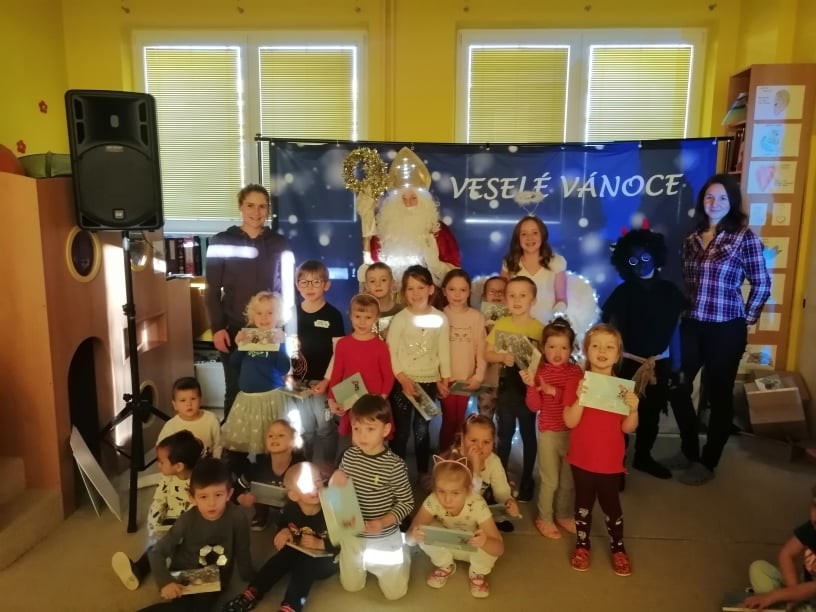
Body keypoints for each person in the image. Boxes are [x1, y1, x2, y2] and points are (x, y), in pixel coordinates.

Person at [668, 174, 771, 486]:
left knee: (718, 395)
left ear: (732, 202)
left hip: (726, 328)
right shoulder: (691, 238)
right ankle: (689, 451)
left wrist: (746, 318)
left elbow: (761, 282)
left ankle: (708, 461)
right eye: (709, 197)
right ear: (703, 200)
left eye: (722, 198)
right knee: (677, 385)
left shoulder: (743, 237)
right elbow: (686, 282)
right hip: (692, 324)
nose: (714, 203)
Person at [601, 228, 689, 480]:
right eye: (632, 260)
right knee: (619, 417)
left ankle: (643, 457)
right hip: (626, 364)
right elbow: (612, 331)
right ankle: (616, 462)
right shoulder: (623, 293)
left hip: (657, 366)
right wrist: (608, 366)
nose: (639, 264)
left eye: (645, 258)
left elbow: (675, 331)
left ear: (656, 257)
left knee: (651, 415)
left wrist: (676, 366)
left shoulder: (669, 292)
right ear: (624, 262)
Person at [205, 184, 289, 420]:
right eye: (250, 205)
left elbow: (286, 288)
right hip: (234, 329)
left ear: (268, 210)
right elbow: (212, 290)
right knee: (235, 388)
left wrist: (284, 328)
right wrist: (217, 328)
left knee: (270, 389)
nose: (256, 212)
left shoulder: (279, 243)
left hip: (270, 330)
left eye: (262, 206)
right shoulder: (221, 241)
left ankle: (268, 441)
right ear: (240, 207)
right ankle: (233, 442)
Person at [563, 324, 639, 576]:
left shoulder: (622, 389)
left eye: (609, 347)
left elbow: (628, 428)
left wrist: (633, 409)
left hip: (610, 462)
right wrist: (580, 398)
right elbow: (570, 421)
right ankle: (582, 545)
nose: (602, 351)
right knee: (582, 506)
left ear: (618, 355)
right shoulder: (577, 382)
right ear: (586, 351)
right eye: (595, 346)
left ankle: (618, 548)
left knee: (612, 507)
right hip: (582, 459)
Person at [140, 458, 253, 612]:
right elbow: (156, 552)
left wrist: (250, 576)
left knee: (201, 607)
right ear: (192, 498)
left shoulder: (238, 518)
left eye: (218, 494)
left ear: (229, 494)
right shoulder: (187, 520)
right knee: (182, 608)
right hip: (185, 573)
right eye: (203, 497)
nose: (211, 503)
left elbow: (242, 549)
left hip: (214, 578)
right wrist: (165, 582)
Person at [223, 462, 338, 612]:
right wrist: (284, 531)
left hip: (325, 560)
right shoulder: (290, 509)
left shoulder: (332, 509)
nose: (315, 488)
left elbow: (347, 540)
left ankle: (291, 606)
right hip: (300, 548)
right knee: (280, 559)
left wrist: (321, 544)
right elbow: (283, 524)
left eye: (318, 481)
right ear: (293, 495)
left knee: (305, 566)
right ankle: (251, 592)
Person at [331, 394, 414, 601]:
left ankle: (403, 554)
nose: (362, 435)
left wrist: (383, 521)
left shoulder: (394, 466)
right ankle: (358, 563)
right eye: (356, 428)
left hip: (383, 536)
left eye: (370, 429)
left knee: (395, 594)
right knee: (351, 587)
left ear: (385, 430)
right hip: (353, 533)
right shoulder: (349, 456)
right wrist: (335, 483)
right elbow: (339, 491)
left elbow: (406, 502)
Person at [111, 431, 203, 591]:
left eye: (161, 462)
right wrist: (154, 523)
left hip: (190, 528)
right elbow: (159, 500)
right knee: (156, 548)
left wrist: (177, 532)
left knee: (183, 555)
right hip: (171, 524)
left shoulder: (198, 483)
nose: (158, 465)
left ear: (179, 466)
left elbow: (195, 511)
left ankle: (181, 575)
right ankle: (138, 570)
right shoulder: (167, 478)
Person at [406, 455, 504, 599]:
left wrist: (484, 542)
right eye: (441, 491)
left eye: (455, 493)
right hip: (448, 544)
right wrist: (413, 537)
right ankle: (445, 564)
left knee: (488, 543)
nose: (447, 499)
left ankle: (477, 572)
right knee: (422, 530)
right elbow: (409, 537)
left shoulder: (477, 504)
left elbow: (499, 548)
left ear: (469, 489)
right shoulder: (433, 500)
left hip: (474, 546)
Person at [386, 264, 451, 476]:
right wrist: (403, 379)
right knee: (402, 430)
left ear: (431, 289)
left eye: (421, 287)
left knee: (422, 430)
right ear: (404, 292)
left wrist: (444, 379)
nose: (416, 293)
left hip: (429, 381)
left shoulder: (440, 318)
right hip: (403, 383)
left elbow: (443, 350)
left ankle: (423, 473)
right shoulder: (400, 319)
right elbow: (391, 351)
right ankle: (397, 474)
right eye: (410, 288)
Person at [521, 317, 582, 539]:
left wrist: (552, 390)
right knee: (550, 480)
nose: (557, 352)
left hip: (572, 433)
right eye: (552, 346)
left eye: (564, 348)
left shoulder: (575, 372)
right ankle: (544, 517)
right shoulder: (539, 371)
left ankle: (563, 514)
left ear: (571, 349)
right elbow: (534, 406)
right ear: (543, 348)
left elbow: (575, 399)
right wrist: (532, 387)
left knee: (568, 480)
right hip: (548, 432)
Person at [485, 276, 543, 501]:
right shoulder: (502, 324)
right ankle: (499, 481)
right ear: (505, 300)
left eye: (523, 295)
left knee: (528, 434)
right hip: (507, 388)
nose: (517, 300)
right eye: (512, 295)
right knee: (504, 434)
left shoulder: (540, 329)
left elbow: (547, 361)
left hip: (528, 390)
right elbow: (487, 353)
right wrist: (502, 357)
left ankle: (527, 480)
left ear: (533, 300)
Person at [221, 291, 290, 475]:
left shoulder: (278, 337)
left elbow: (284, 367)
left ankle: (267, 472)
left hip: (270, 399)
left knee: (269, 440)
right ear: (252, 316)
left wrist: (281, 346)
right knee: (241, 441)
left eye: (270, 313)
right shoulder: (248, 336)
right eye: (259, 313)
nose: (264, 317)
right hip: (247, 399)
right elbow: (234, 363)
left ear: (278, 316)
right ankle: (241, 474)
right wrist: (239, 346)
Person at [369, 147, 461, 286]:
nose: (409, 204)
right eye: (403, 199)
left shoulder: (438, 231)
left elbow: (454, 275)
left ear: (423, 201)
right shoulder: (382, 232)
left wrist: (435, 265)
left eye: (414, 198)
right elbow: (373, 267)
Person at [327, 293, 394, 461]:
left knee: (375, 446)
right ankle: (348, 472)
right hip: (351, 403)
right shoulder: (343, 344)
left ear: (376, 318)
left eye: (368, 317)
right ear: (350, 316)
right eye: (358, 316)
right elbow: (336, 373)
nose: (362, 322)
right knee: (349, 446)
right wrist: (331, 399)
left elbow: (388, 376)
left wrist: (380, 399)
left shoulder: (380, 346)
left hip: (374, 405)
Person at [292, 260, 345, 468]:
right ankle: (304, 466)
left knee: (325, 428)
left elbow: (338, 353)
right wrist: (288, 374)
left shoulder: (333, 315)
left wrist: (327, 380)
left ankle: (328, 466)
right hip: (298, 384)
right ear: (297, 285)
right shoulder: (291, 313)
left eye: (316, 282)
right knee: (305, 429)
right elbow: (286, 347)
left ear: (326, 285)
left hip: (323, 383)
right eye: (304, 282)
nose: (310, 287)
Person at [741, 485, 816, 611]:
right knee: (759, 568)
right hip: (802, 587)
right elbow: (787, 554)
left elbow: (813, 589)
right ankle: (788, 604)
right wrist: (792, 590)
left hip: (811, 593)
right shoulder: (813, 527)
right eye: (815, 506)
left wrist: (773, 596)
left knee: (775, 597)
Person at [439, 269, 486, 452]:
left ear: (469, 292)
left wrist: (478, 376)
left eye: (463, 290)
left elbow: (481, 349)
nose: (457, 295)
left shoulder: (476, 317)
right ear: (444, 291)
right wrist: (438, 380)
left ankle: (458, 458)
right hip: (446, 380)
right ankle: (444, 458)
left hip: (466, 380)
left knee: (460, 421)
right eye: (452, 289)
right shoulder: (439, 316)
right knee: (449, 419)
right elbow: (433, 351)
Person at [449, 414, 520, 532]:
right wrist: (475, 468)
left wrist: (508, 502)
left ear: (493, 443)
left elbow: (501, 491)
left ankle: (494, 520)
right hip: (457, 505)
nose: (480, 447)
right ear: (462, 439)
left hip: (480, 504)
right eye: (473, 441)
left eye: (486, 442)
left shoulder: (494, 461)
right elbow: (457, 496)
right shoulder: (454, 459)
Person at [232, 419, 305, 532]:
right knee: (257, 486)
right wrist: (241, 498)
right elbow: (235, 488)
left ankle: (288, 519)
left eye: (281, 435)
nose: (274, 438)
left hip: (292, 505)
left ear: (293, 442)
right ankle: (261, 514)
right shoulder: (258, 467)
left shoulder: (301, 468)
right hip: (264, 500)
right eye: (270, 435)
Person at [501, 216, 567, 324]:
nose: (529, 238)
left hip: (546, 326)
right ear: (518, 238)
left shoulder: (556, 262)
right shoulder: (509, 262)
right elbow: (503, 297)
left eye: (535, 233)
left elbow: (561, 299)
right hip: (516, 325)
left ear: (542, 235)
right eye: (524, 234)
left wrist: (557, 319)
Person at [157, 377, 221, 458]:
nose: (188, 404)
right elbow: (160, 448)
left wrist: (216, 462)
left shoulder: (211, 420)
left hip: (207, 463)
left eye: (193, 399)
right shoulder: (171, 426)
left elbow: (219, 445)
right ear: (174, 404)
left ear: (200, 400)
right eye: (183, 400)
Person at [477, 276, 507, 420]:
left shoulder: (513, 319)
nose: (497, 295)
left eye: (502, 292)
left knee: (505, 419)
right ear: (484, 296)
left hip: (507, 379)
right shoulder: (478, 319)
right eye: (492, 291)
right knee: (484, 417)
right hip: (486, 378)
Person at [363, 262, 403, 339]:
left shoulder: (402, 312)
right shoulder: (361, 314)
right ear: (366, 286)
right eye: (372, 281)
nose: (378, 284)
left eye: (383, 280)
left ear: (392, 283)